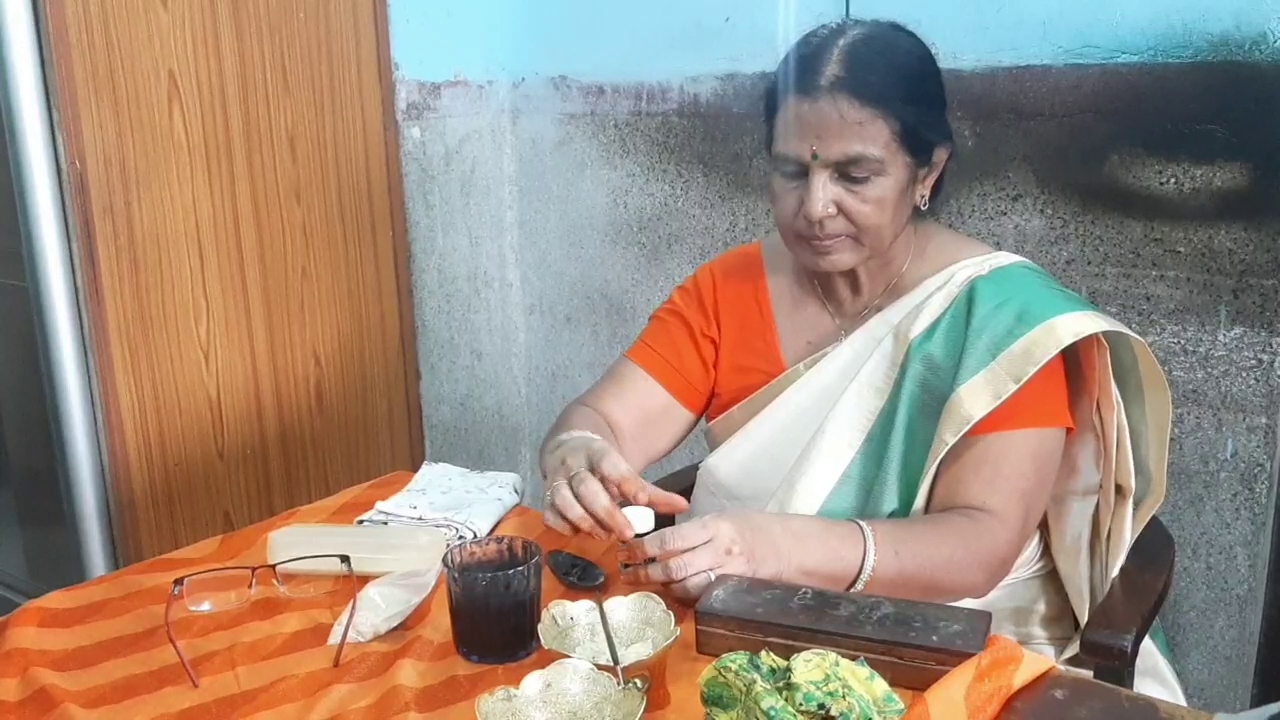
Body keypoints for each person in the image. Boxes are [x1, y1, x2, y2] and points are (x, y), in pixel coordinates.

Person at [537, 19, 1185, 704]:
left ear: (926, 171)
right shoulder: (730, 290)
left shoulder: (997, 319)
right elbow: (603, 419)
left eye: (854, 174)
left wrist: (771, 547)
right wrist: (577, 449)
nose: (816, 208)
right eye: (791, 171)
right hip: (748, 639)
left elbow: (978, 544)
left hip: (953, 647)